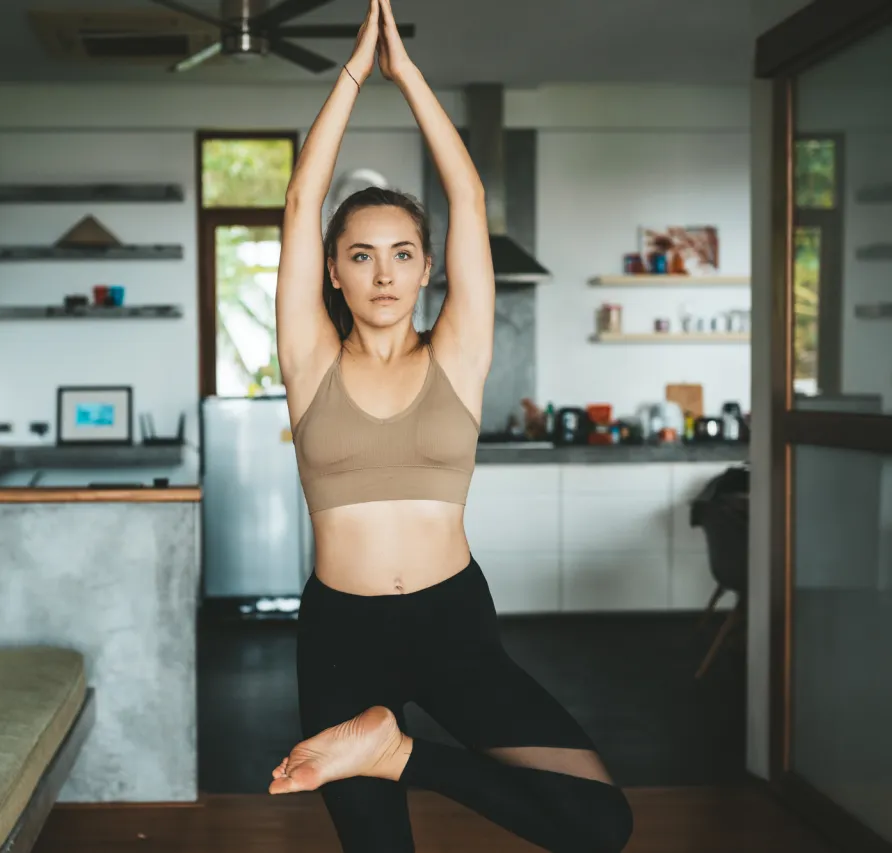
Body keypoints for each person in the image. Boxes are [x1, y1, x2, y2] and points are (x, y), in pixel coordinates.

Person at [266, 1, 635, 851]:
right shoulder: (310, 361)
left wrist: (411, 77)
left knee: (599, 823)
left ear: (428, 268)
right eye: (361, 254)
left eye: (402, 253)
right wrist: (354, 73)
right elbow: (300, 198)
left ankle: (399, 754)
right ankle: (384, 748)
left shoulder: (458, 356)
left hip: (453, 624)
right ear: (333, 272)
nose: (383, 272)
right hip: (340, 638)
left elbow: (466, 193)